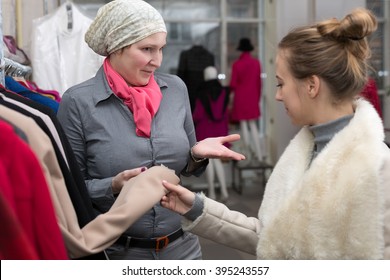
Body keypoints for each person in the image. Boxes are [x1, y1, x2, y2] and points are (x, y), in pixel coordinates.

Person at [160, 8, 390, 259]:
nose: (278, 95)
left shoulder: (378, 168)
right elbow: (274, 239)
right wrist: (197, 208)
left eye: (281, 83)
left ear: (312, 86)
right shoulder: (304, 150)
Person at [57, 0, 244, 260]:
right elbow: (69, 190)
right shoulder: (78, 102)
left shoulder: (176, 90)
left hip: (183, 249)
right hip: (117, 253)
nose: (157, 61)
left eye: (161, 49)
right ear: (116, 47)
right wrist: (112, 186)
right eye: (147, 49)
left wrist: (196, 155)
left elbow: (187, 169)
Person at [193, 66, 230, 201]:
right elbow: (226, 114)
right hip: (220, 131)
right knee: (217, 161)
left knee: (208, 161)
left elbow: (198, 115)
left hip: (205, 131)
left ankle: (212, 192)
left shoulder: (202, 93)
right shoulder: (224, 92)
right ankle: (224, 191)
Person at [230, 37, 263, 162]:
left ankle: (247, 154)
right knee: (253, 125)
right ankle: (259, 155)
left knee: (244, 125)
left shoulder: (236, 64)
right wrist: (257, 98)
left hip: (240, 98)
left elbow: (233, 84)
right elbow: (259, 83)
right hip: (253, 97)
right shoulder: (256, 63)